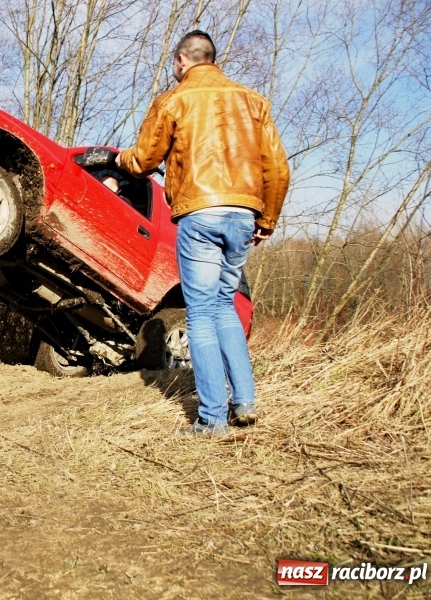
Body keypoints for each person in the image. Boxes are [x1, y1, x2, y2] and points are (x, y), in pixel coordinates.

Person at [116, 30, 290, 436]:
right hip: (244, 214)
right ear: (212, 59)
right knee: (225, 305)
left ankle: (212, 419)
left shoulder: (174, 100)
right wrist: (266, 220)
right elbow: (278, 170)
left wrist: (120, 160)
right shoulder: (253, 101)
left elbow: (142, 160)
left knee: (202, 314)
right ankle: (244, 402)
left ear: (181, 61)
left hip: (201, 213)